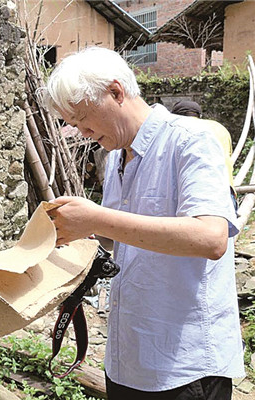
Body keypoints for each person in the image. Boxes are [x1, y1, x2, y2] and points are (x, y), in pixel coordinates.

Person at [44, 47, 243, 399]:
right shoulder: (116, 156)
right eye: (76, 126)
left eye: (84, 120)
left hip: (184, 369)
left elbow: (211, 238)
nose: (84, 133)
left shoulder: (190, 141)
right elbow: (119, 238)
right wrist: (71, 236)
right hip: (128, 358)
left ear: (116, 92)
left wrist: (96, 216)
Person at [170, 100, 237, 209]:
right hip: (226, 192)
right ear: (199, 115)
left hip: (195, 196)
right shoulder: (219, 127)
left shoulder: (176, 129)